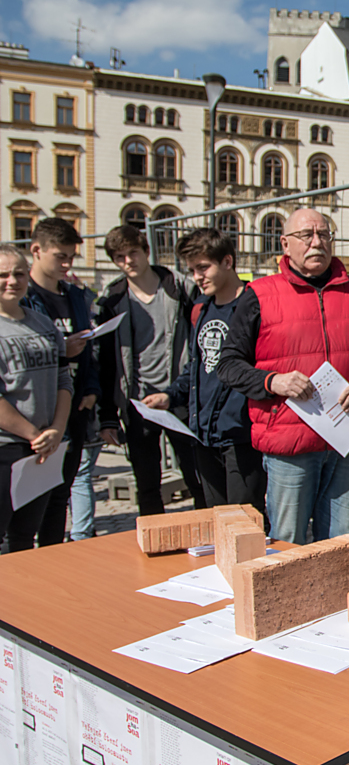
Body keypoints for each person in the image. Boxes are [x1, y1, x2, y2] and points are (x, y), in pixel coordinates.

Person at [217, 208, 349, 544]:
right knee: (288, 540)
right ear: (285, 244)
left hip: (345, 438)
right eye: (306, 235)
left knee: (340, 541)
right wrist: (273, 381)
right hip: (289, 442)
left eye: (324, 234)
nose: (317, 242)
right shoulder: (259, 294)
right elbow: (228, 363)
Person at [142, 228, 266, 518]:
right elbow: (197, 367)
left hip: (242, 434)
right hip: (204, 435)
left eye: (203, 267)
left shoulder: (255, 305)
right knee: (215, 519)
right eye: (192, 270)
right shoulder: (201, 309)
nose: (197, 277)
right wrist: (170, 396)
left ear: (227, 261)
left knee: (245, 521)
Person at [96, 225, 206, 515]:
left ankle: (206, 533)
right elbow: (107, 361)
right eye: (119, 257)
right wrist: (108, 415)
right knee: (146, 484)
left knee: (197, 477)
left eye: (133, 253)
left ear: (146, 251)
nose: (128, 261)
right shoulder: (112, 299)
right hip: (137, 402)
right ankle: (154, 536)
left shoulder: (179, 288)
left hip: (180, 398)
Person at [21, 218, 100, 544]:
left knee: (60, 496)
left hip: (74, 407)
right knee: (29, 505)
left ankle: (52, 554)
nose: (68, 265)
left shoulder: (74, 295)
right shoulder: (23, 298)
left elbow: (89, 348)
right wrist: (60, 350)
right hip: (36, 415)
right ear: (36, 251)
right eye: (60, 257)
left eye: (71, 257)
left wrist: (91, 389)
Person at [0, 244, 73, 552]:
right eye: (3, 275)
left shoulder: (43, 324)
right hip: (7, 446)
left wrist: (56, 429)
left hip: (43, 448)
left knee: (25, 536)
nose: (12, 281)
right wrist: (34, 435)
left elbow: (63, 380)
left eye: (19, 273)